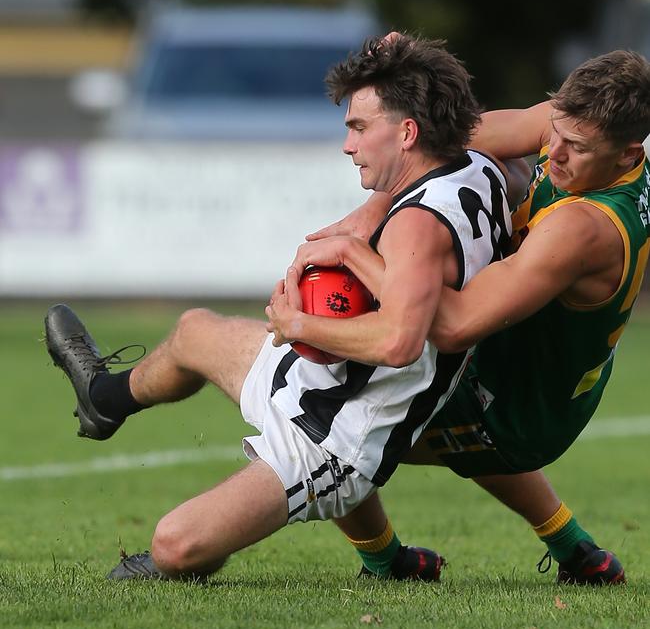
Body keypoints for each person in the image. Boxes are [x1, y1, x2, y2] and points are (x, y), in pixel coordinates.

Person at [45, 35, 525, 580]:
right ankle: (104, 399)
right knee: (193, 332)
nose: (349, 145)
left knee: (173, 545)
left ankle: (372, 559)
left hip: (333, 438)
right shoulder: (484, 166)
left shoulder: (418, 224)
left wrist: (298, 321)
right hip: (322, 380)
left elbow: (398, 342)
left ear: (408, 132)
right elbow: (529, 140)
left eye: (359, 127)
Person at [281, 48, 650, 585]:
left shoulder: (582, 228)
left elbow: (451, 324)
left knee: (326, 411)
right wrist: (381, 201)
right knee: (493, 166)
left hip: (525, 402)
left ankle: (387, 563)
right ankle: (578, 551)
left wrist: (354, 252)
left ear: (627, 155)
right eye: (555, 135)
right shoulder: (579, 129)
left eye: (578, 149)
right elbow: (455, 136)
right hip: (542, 362)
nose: (557, 153)